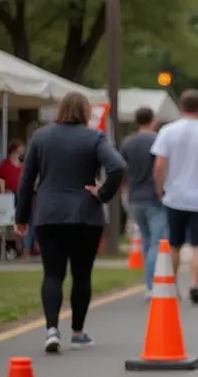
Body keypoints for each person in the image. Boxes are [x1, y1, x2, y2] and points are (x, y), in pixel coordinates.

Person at [14, 91, 126, 353]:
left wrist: (21, 216)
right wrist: (103, 193)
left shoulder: (40, 137)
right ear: (86, 112)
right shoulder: (93, 137)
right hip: (85, 214)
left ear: (59, 110)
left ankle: (52, 329)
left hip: (48, 214)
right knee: (81, 274)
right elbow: (117, 166)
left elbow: (26, 180)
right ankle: (78, 331)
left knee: (53, 273)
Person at [151, 90, 198, 305]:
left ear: (180, 106)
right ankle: (195, 285)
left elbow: (159, 164)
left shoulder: (168, 131)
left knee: (174, 244)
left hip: (175, 196)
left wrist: (160, 189)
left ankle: (173, 285)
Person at [121, 107, 166, 298]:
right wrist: (161, 190)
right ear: (153, 120)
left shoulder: (127, 143)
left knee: (146, 241)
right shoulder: (158, 140)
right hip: (154, 197)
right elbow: (161, 167)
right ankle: (153, 285)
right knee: (157, 243)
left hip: (134, 196)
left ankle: (148, 285)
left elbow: (121, 169)